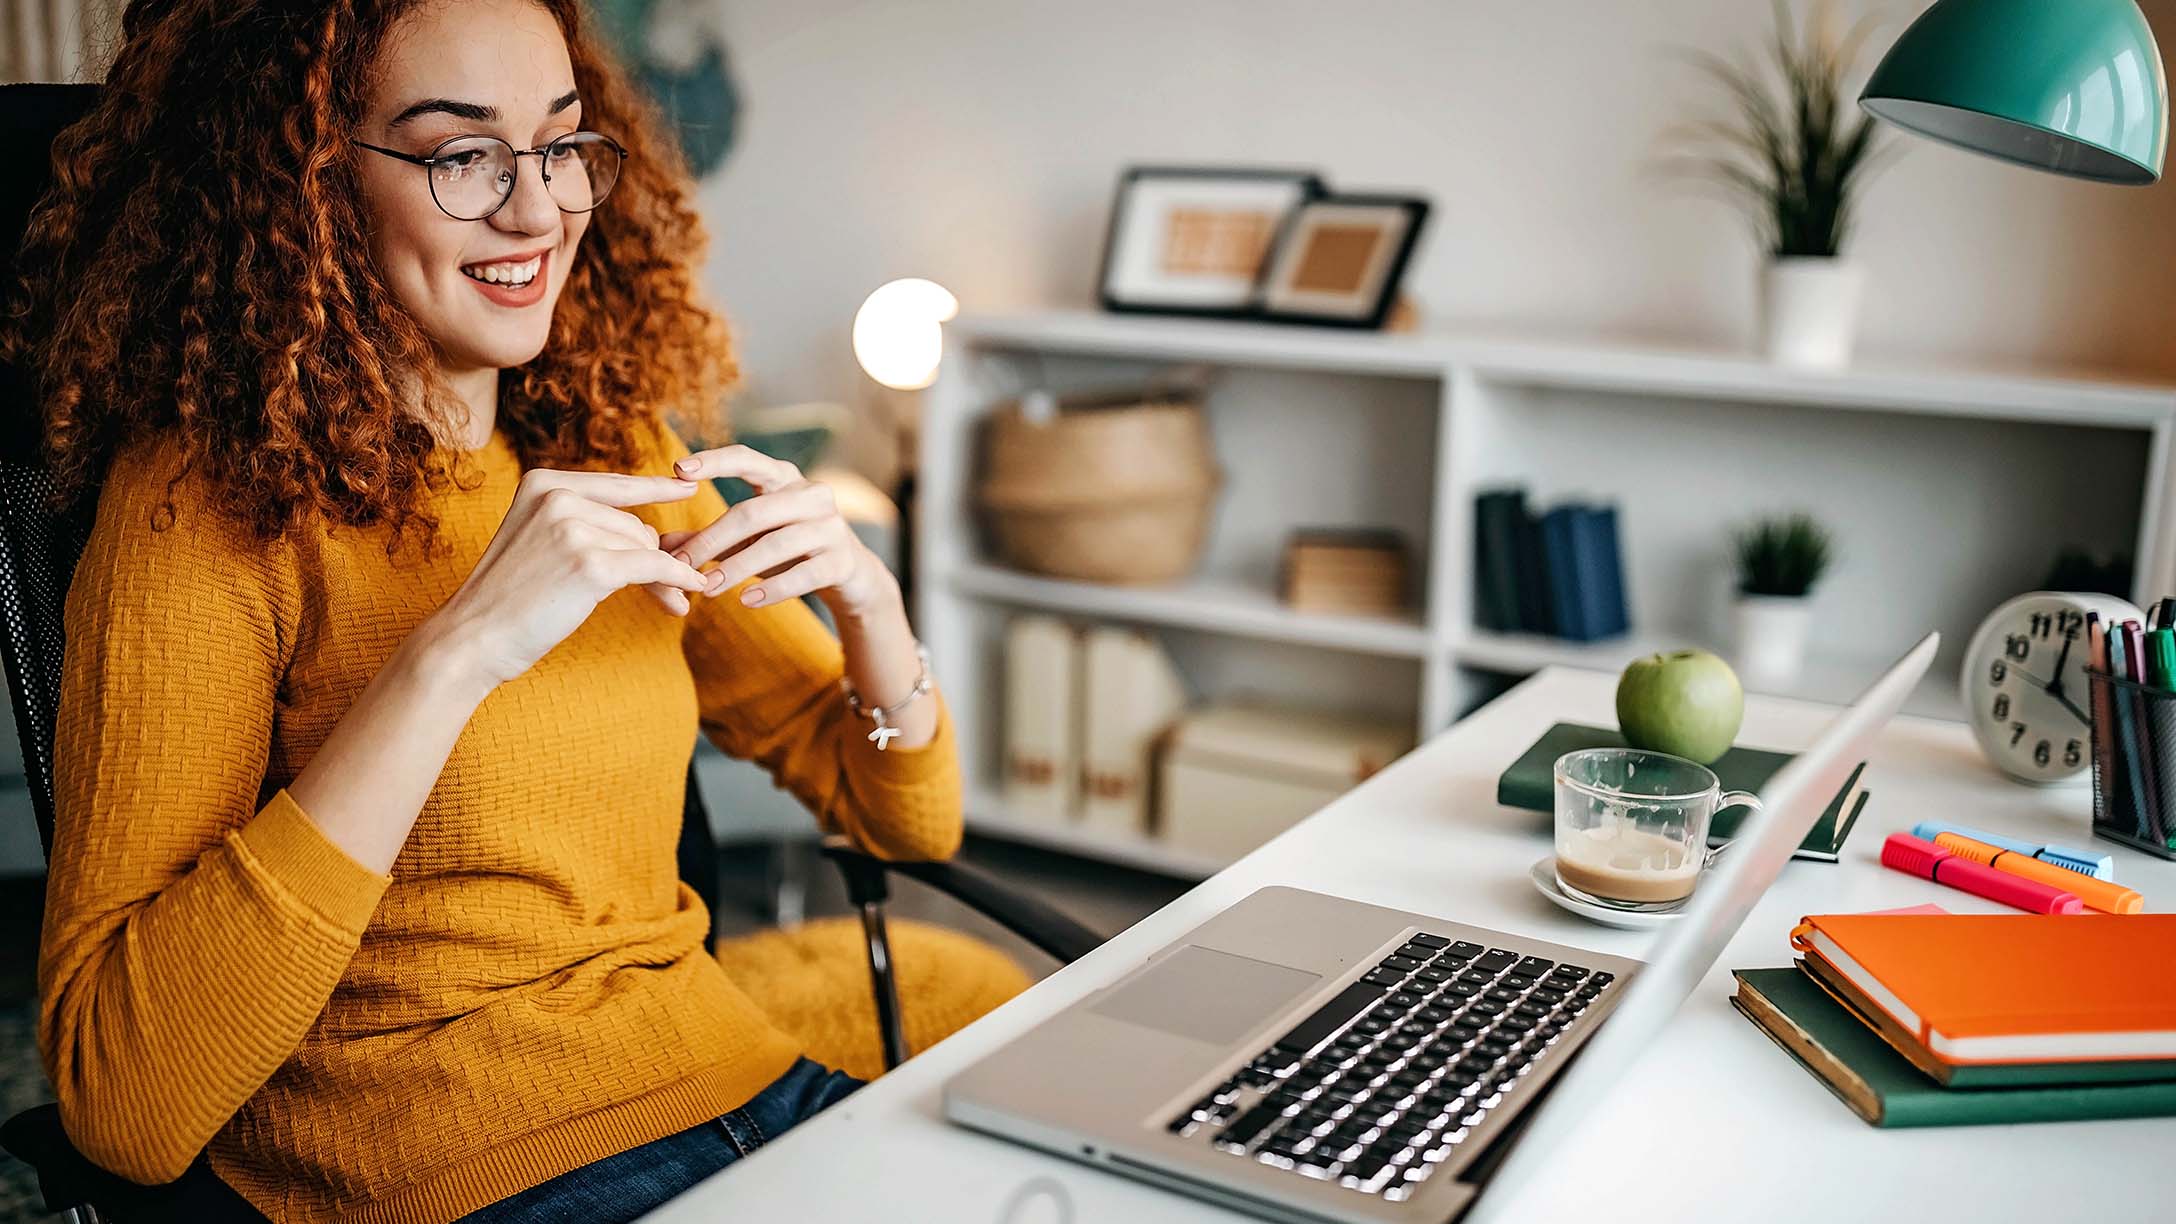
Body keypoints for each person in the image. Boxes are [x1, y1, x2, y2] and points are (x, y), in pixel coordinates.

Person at [0, 1, 964, 1220]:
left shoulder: (609, 443)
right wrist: (454, 653)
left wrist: (873, 620)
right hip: (460, 1172)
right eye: (462, 155)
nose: (537, 209)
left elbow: (903, 827)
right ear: (305, 182)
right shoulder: (203, 509)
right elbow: (123, 1107)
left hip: (751, 1099)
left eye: (561, 144)